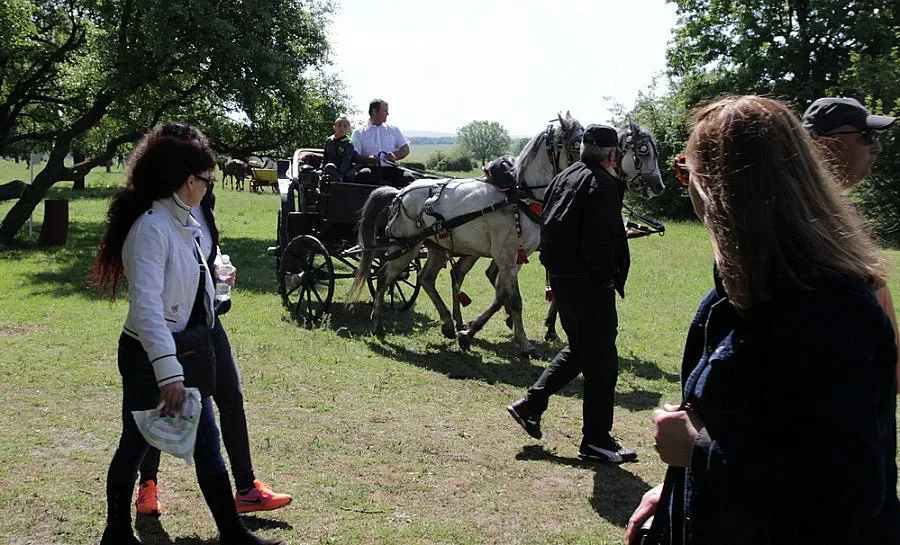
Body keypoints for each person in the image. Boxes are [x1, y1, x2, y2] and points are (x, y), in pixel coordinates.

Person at [626, 96, 900, 545]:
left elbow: (845, 491)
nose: (687, 186)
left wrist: (697, 451)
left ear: (716, 187)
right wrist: (676, 492)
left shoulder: (826, 308)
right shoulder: (746, 291)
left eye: (685, 171)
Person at [90, 123, 284, 545]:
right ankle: (116, 532)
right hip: (150, 355)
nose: (210, 186)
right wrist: (168, 374)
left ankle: (232, 533)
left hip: (187, 348)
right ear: (186, 180)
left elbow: (184, 281)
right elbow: (147, 310)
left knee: (207, 441)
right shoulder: (151, 228)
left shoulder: (181, 222)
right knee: (136, 443)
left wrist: (214, 277)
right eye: (207, 179)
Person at [506, 124, 636, 463]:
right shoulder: (605, 185)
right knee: (603, 360)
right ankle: (596, 440)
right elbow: (598, 242)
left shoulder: (562, 179)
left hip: (564, 279)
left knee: (582, 348)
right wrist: (607, 277)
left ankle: (530, 405)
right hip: (589, 282)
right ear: (612, 154)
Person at [801, 96, 900, 392]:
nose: (877, 147)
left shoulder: (840, 217)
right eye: (866, 136)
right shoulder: (808, 221)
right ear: (825, 143)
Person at [350, 98, 416, 187]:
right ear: (374, 111)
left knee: (409, 179)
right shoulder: (358, 132)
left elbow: (405, 148)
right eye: (385, 111)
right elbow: (355, 156)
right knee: (362, 176)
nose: (388, 113)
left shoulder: (394, 130)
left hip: (391, 169)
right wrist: (368, 159)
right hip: (371, 169)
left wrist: (395, 155)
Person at [322, 115, 358, 181]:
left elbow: (346, 160)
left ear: (349, 129)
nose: (342, 128)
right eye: (339, 125)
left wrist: (340, 173)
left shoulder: (348, 143)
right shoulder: (329, 141)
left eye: (345, 126)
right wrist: (321, 169)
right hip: (329, 168)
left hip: (343, 172)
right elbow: (325, 157)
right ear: (334, 127)